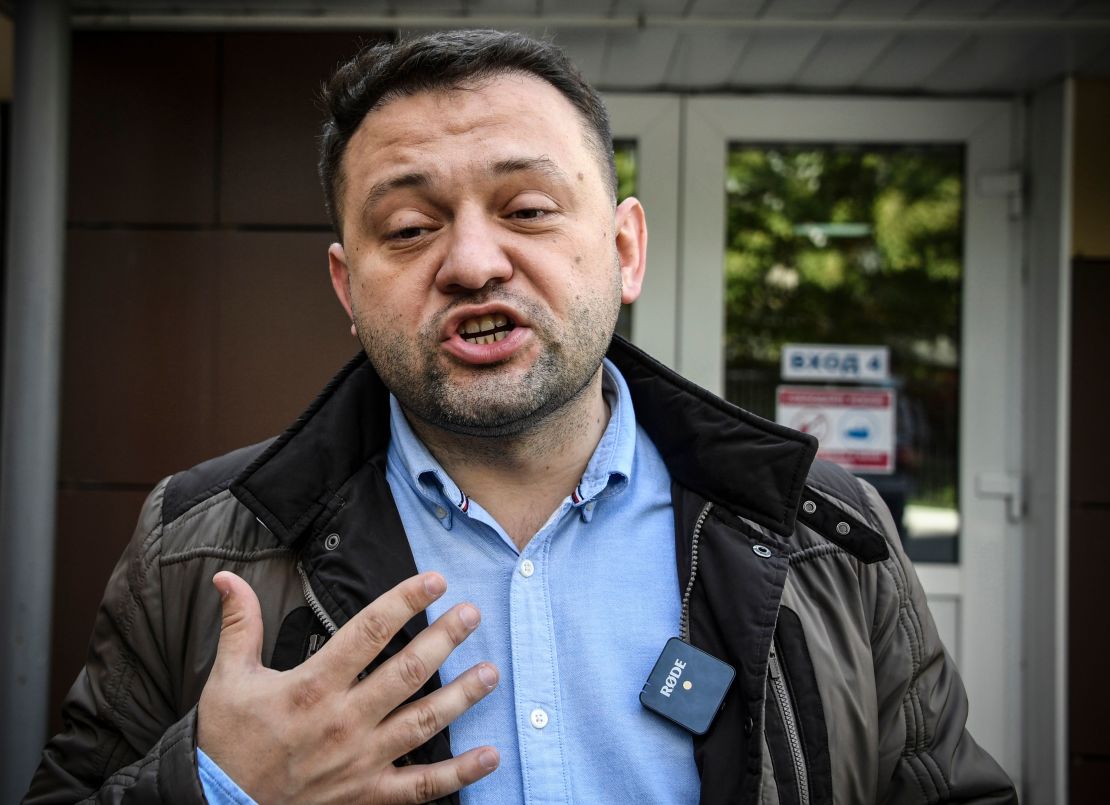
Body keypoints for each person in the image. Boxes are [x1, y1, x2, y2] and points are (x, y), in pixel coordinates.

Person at [27, 29, 1017, 804]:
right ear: (346, 285)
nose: (471, 262)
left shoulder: (822, 531)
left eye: (528, 209)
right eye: (409, 227)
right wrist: (216, 787)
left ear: (625, 249)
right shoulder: (196, 553)